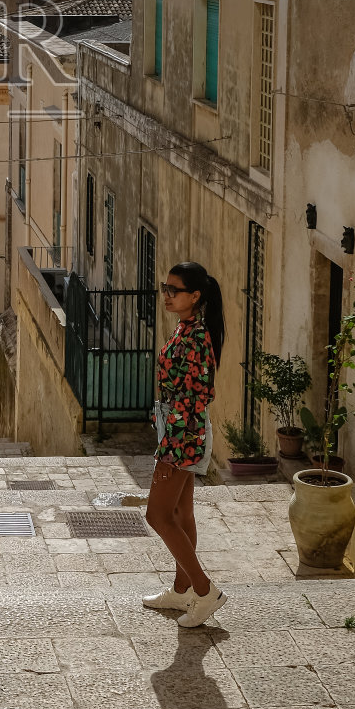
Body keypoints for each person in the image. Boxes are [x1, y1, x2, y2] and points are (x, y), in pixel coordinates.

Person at [143, 261, 227, 627]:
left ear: (195, 296)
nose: (167, 294)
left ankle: (205, 590)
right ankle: (181, 590)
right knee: (180, 514)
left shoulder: (195, 338)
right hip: (179, 430)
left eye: (174, 290)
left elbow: (199, 394)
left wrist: (174, 441)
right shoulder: (187, 329)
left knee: (157, 515)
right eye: (166, 287)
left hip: (182, 435)